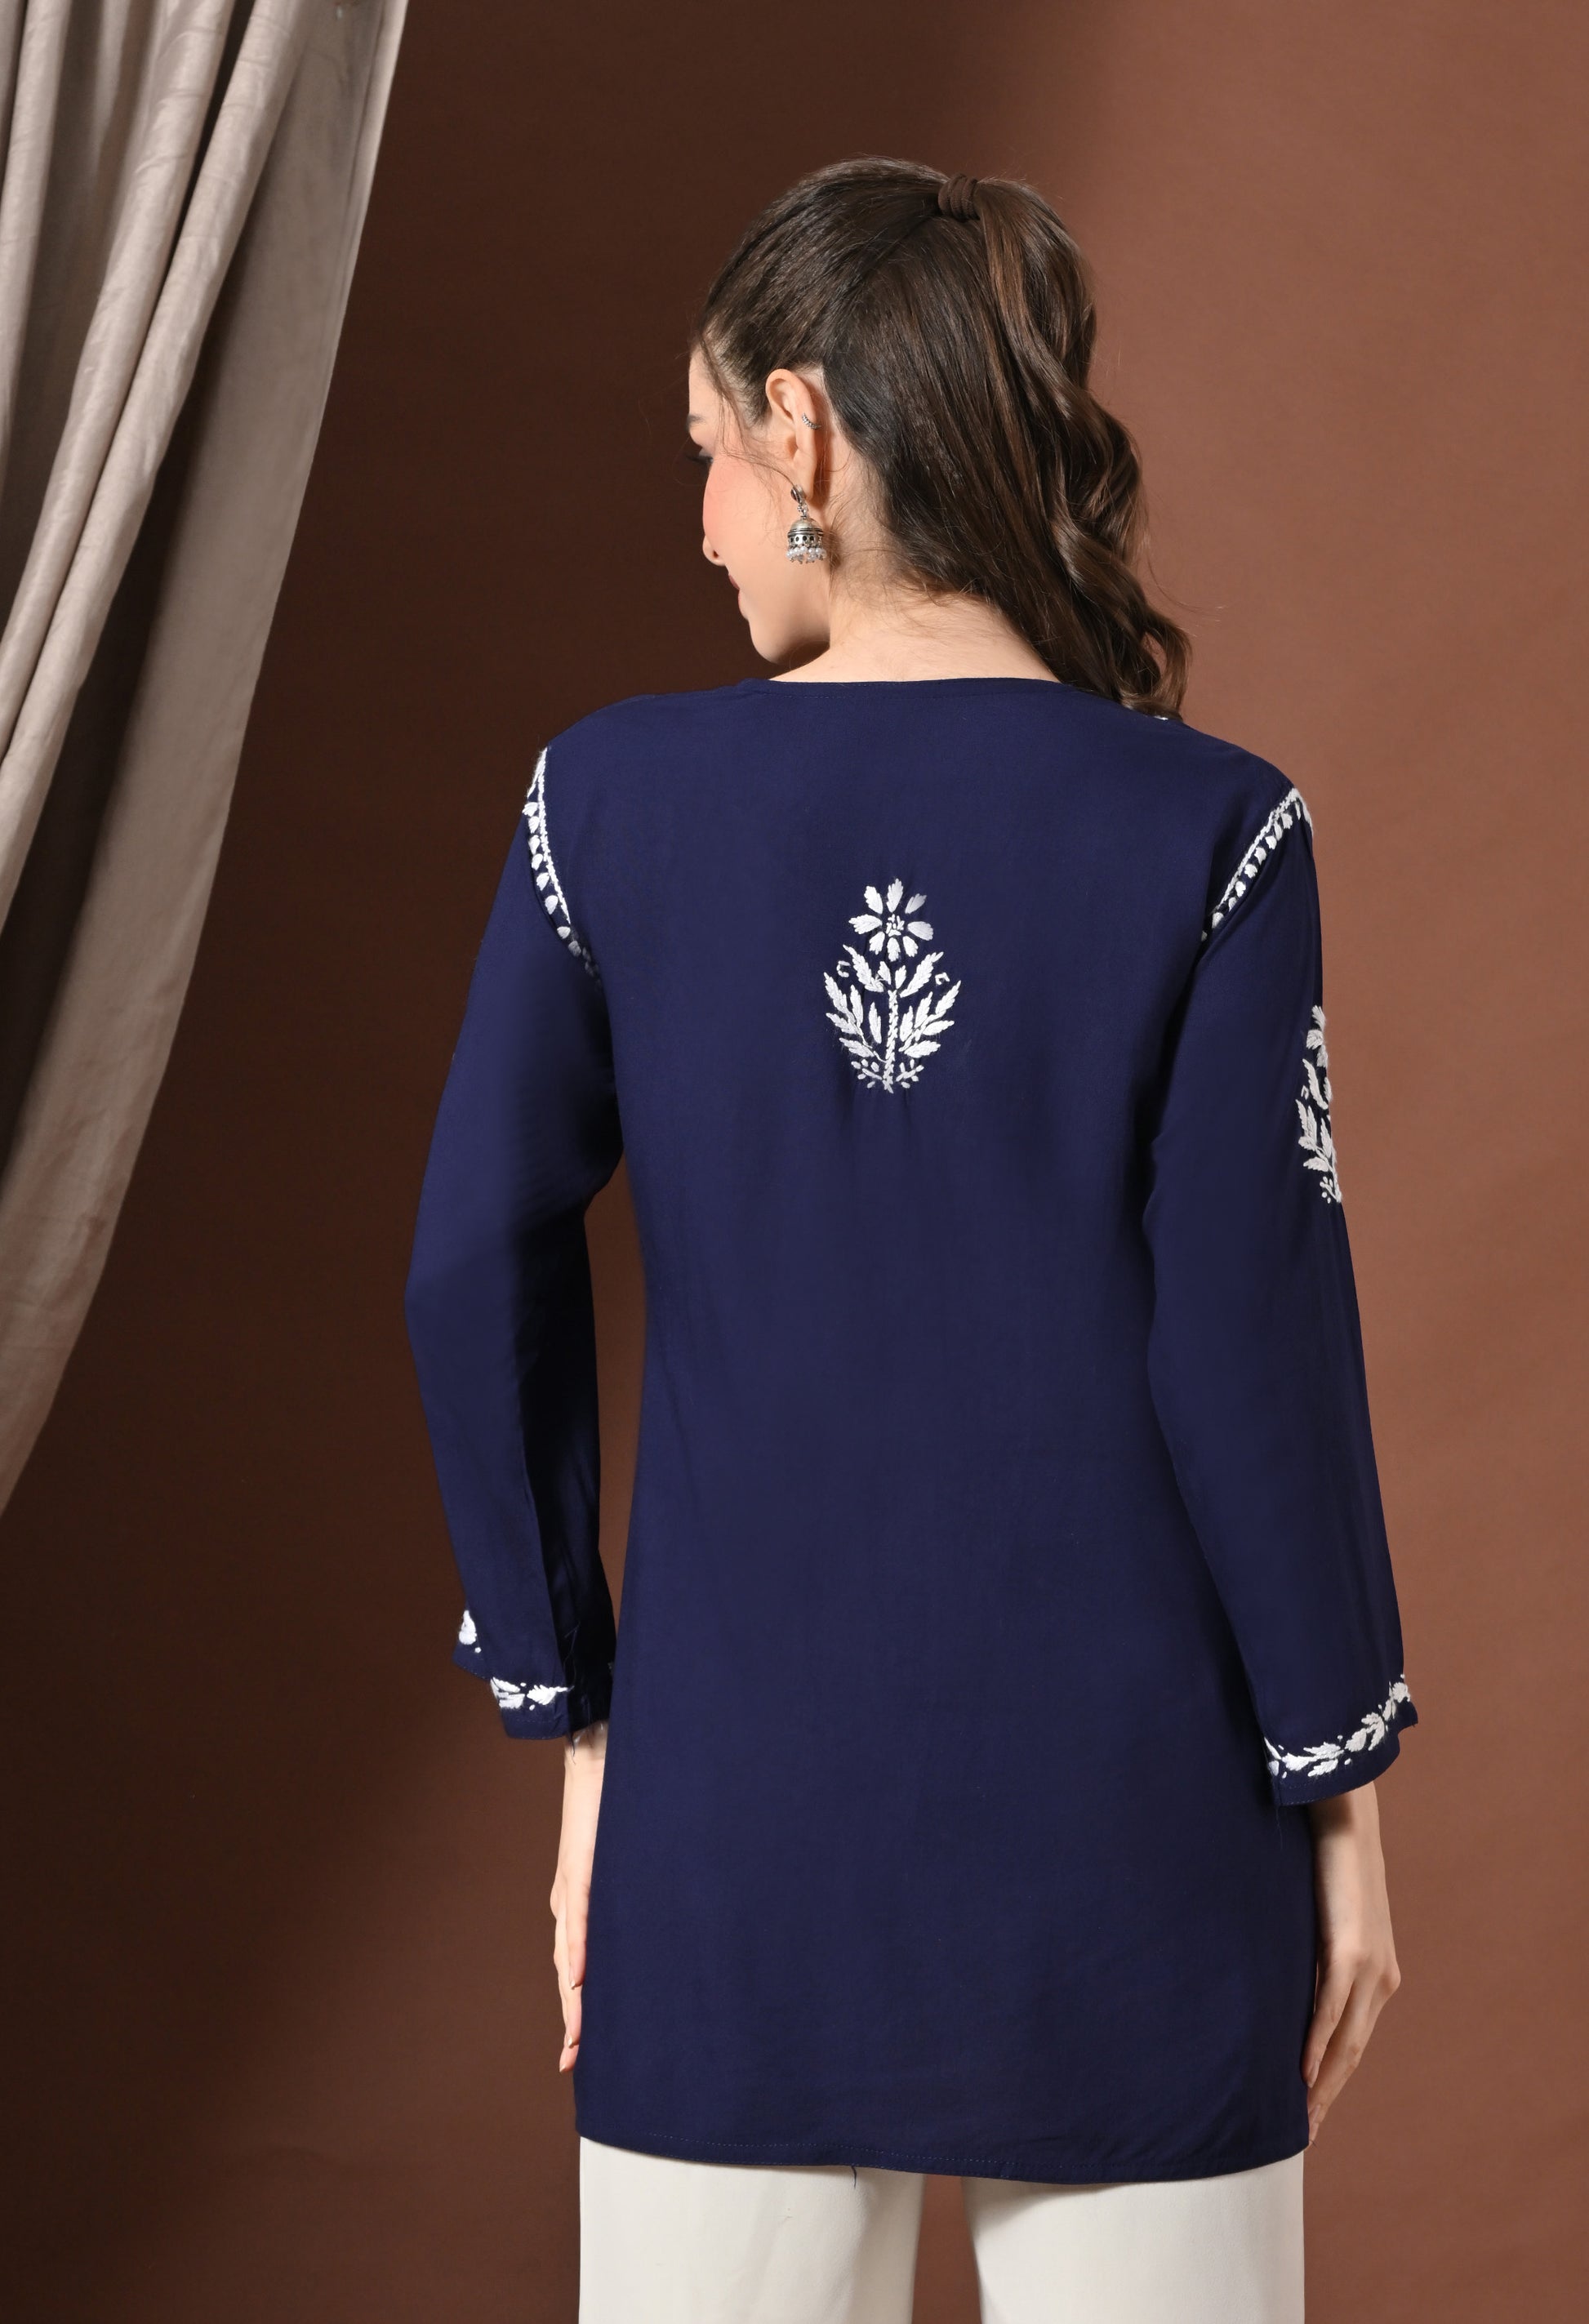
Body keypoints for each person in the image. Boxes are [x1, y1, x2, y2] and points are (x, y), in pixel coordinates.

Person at [403, 159, 1414, 2324]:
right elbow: (1249, 1342)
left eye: (702, 453)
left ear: (801, 435)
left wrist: (584, 1739)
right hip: (1136, 1832)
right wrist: (1336, 1787)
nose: (697, 524)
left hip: (731, 1829)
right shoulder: (1212, 829)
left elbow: (472, 1265)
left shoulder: (604, 806)